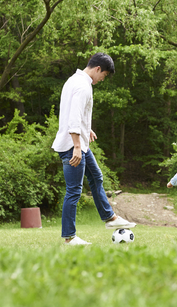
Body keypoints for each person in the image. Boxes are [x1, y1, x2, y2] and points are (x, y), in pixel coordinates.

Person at [52, 52, 135, 245]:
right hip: (72, 146)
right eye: (104, 76)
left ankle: (110, 218)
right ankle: (69, 237)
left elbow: (75, 112)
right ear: (98, 69)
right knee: (73, 191)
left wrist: (86, 129)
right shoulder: (83, 86)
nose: (102, 79)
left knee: (96, 177)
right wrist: (77, 146)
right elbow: (73, 117)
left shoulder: (73, 80)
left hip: (78, 142)